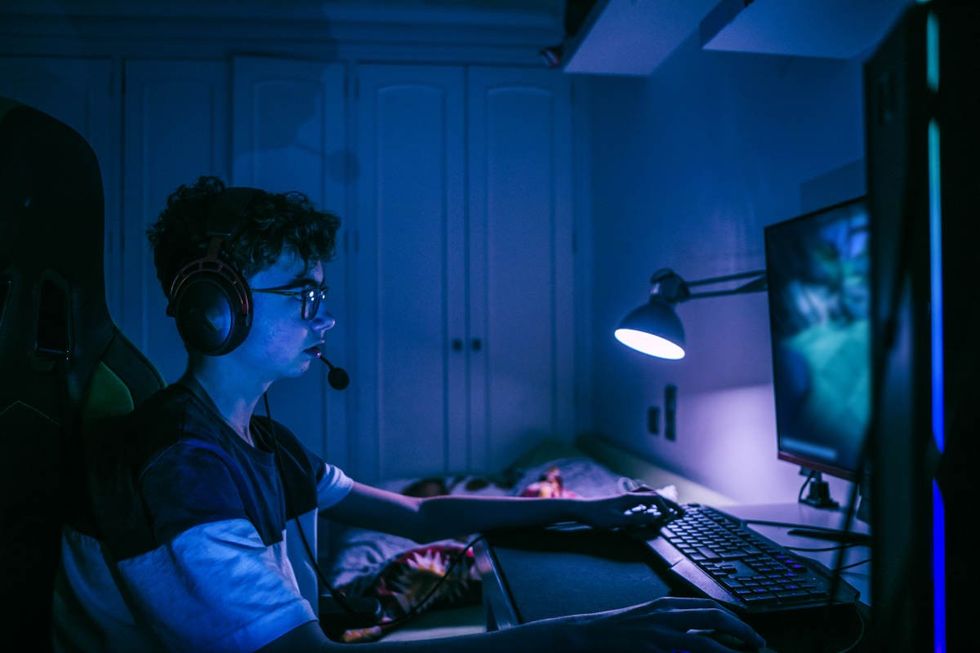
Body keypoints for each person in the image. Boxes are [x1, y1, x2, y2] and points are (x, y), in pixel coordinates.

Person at [52, 176, 766, 653]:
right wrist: (599, 632)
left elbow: (419, 518)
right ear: (217, 309)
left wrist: (584, 509)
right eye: (304, 296)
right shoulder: (182, 466)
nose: (325, 316)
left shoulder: (257, 440)